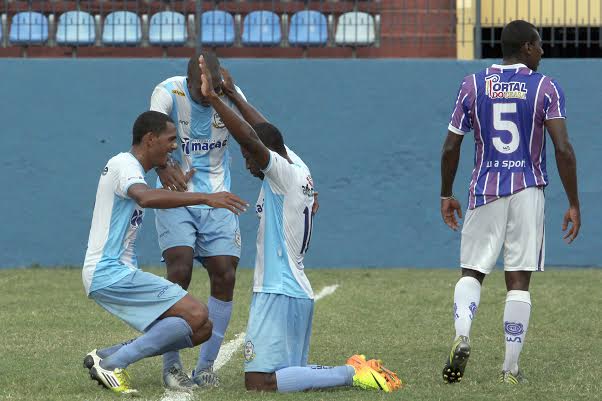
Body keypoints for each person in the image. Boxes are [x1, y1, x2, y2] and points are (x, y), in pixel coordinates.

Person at [198, 55, 403, 393]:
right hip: (296, 290)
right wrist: (235, 94)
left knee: (259, 382)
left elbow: (252, 138)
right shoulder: (298, 166)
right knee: (289, 375)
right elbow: (265, 131)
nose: (249, 165)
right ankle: (352, 370)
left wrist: (214, 99)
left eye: (250, 159)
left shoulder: (279, 174)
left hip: (278, 290)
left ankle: (352, 373)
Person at [439, 20, 580, 384]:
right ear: (527, 48)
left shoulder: (472, 85)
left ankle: (463, 334)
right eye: (540, 45)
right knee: (518, 280)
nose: (544, 51)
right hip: (528, 191)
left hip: (484, 188)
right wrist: (574, 202)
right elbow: (563, 148)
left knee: (472, 270)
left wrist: (445, 192)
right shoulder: (545, 88)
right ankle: (510, 369)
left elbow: (451, 146)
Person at [81, 111, 247, 395]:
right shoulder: (124, 164)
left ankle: (106, 356)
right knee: (196, 313)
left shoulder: (129, 166)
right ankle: (114, 364)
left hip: (114, 272)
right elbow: (145, 197)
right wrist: (206, 196)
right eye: (171, 140)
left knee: (202, 327)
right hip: (108, 272)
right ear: (149, 139)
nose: (174, 147)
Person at [149, 50, 246, 389]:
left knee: (225, 273)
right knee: (180, 271)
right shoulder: (168, 92)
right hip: (178, 193)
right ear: (189, 81)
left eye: (213, 89)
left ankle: (205, 367)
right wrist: (163, 166)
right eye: (200, 90)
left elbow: (250, 135)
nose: (206, 96)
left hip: (218, 197)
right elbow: (148, 135)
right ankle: (171, 365)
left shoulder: (228, 95)